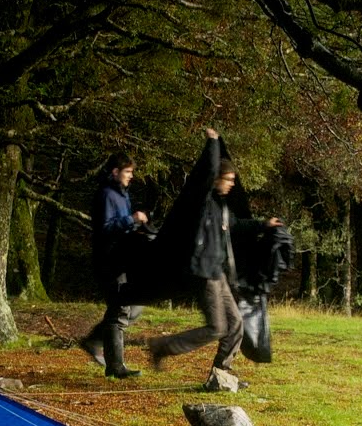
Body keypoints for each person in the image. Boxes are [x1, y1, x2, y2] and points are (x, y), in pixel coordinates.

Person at [147, 129, 281, 374]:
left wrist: (265, 224)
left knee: (236, 324)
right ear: (216, 179)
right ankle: (162, 346)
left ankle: (221, 372)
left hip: (218, 273)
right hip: (204, 273)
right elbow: (207, 172)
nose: (231, 184)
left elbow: (237, 225)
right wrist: (213, 143)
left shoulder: (221, 207)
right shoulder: (203, 203)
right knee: (217, 328)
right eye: (227, 179)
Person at [77, 152, 148, 379]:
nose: (131, 176)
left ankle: (94, 341)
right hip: (110, 261)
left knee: (134, 305)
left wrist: (136, 227)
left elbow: (120, 228)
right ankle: (115, 367)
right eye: (128, 171)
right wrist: (132, 219)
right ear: (115, 172)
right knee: (119, 310)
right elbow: (106, 229)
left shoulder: (120, 194)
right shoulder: (107, 194)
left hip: (122, 259)